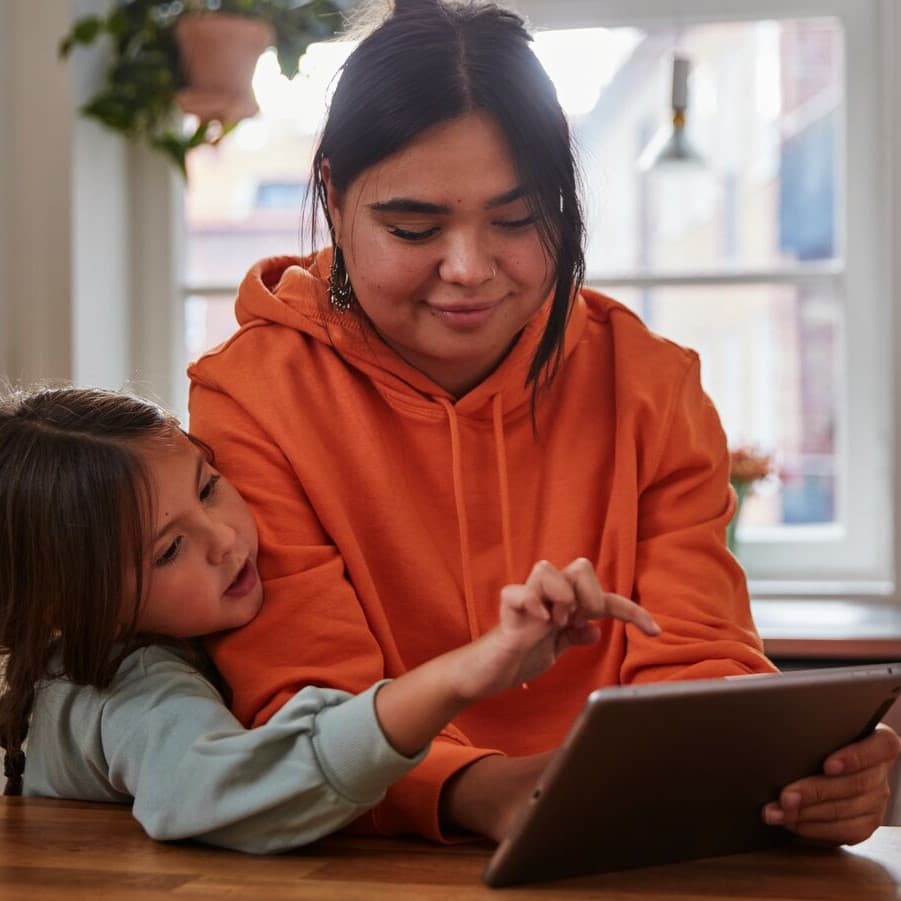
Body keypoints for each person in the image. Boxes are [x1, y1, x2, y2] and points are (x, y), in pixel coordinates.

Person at [188, 0, 900, 847]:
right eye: (412, 226)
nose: (467, 269)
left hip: (618, 842)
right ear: (334, 198)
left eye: (517, 221)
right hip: (360, 855)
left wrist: (787, 771)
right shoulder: (251, 397)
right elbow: (299, 708)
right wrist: (480, 789)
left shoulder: (649, 384)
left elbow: (698, 658)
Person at [0, 384, 661, 853]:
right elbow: (219, 787)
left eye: (208, 487)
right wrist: (455, 677)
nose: (226, 538)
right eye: (170, 548)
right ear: (68, 599)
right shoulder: (123, 687)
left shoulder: (188, 628)